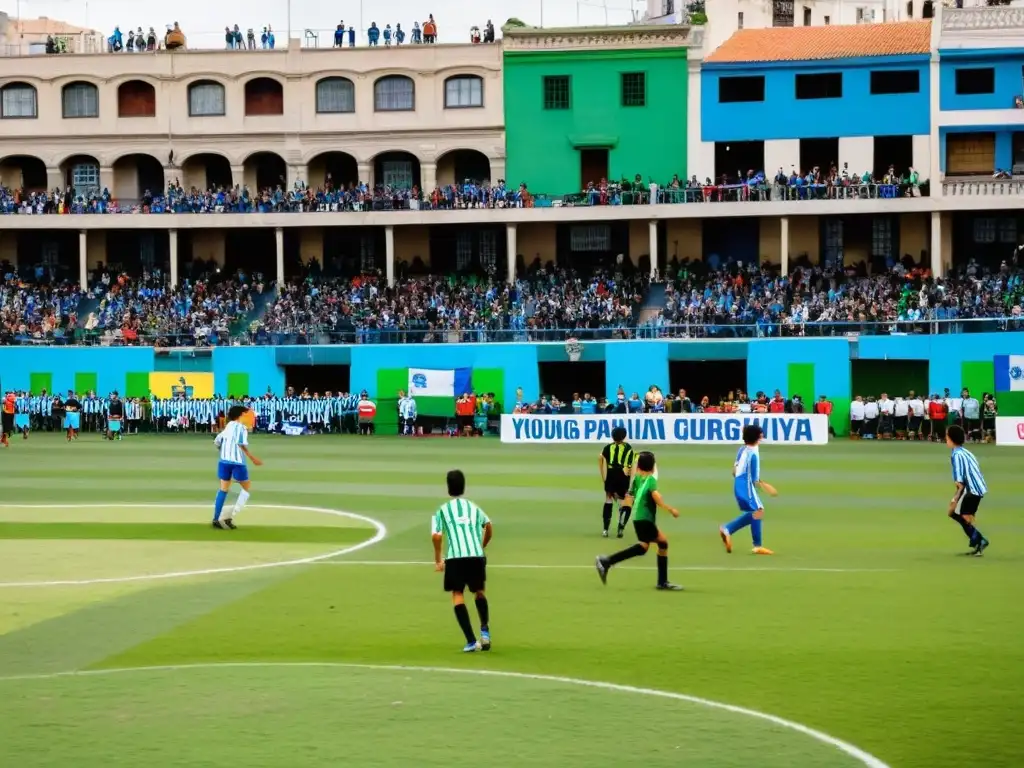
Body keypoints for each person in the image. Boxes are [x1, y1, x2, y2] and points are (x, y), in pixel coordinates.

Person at [594, 451, 682, 591]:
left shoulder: (636, 479)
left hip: (637, 518)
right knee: (663, 543)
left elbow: (630, 495)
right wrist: (670, 509)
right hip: (645, 518)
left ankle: (607, 562)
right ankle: (662, 582)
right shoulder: (651, 480)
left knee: (644, 547)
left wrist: (623, 508)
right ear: (653, 467)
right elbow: (655, 495)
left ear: (639, 467)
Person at [432, 469, 492, 652]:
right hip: (475, 555)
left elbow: (436, 536)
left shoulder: (442, 510)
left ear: (448, 488)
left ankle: (471, 641)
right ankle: (485, 631)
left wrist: (438, 560)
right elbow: (488, 527)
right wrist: (481, 546)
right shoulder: (474, 507)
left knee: (458, 594)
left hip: (455, 557)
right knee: (479, 591)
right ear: (464, 486)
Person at [719, 424, 778, 555]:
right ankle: (757, 545)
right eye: (760, 433)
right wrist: (767, 488)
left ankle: (727, 529)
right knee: (759, 510)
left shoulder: (742, 449)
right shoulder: (754, 455)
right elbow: (755, 480)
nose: (762, 435)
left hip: (738, 484)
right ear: (758, 437)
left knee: (755, 512)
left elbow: (734, 471)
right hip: (747, 486)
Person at [212, 405, 262, 530]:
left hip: (224, 461)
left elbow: (217, 441)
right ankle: (227, 517)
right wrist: (252, 458)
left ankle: (216, 518)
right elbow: (241, 443)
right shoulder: (241, 428)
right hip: (237, 462)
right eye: (246, 413)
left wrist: (224, 451)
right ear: (241, 415)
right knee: (244, 489)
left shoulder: (227, 426)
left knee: (224, 489)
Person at [945, 425, 989, 556]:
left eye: (947, 436)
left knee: (960, 514)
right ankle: (978, 541)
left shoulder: (957, 455)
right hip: (977, 487)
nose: (945, 438)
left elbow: (960, 482)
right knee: (957, 514)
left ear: (951, 438)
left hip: (972, 489)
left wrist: (955, 497)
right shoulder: (964, 451)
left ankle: (980, 540)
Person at [598, 426, 635, 538]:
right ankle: (620, 528)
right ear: (624, 437)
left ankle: (605, 530)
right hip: (622, 474)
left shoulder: (607, 448)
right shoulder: (628, 448)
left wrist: (604, 477)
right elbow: (630, 466)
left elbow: (600, 458)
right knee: (625, 501)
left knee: (608, 498)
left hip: (610, 473)